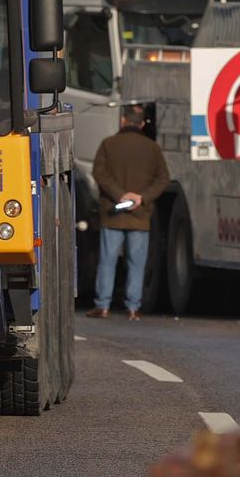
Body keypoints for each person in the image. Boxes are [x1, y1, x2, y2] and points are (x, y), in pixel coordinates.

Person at [88, 103, 171, 321]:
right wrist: (141, 197)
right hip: (140, 216)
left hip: (112, 214)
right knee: (137, 262)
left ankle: (103, 306)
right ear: (142, 123)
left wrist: (120, 195)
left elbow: (99, 173)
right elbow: (163, 178)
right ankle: (133, 308)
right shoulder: (152, 148)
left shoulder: (108, 144)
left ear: (123, 121)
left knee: (107, 261)